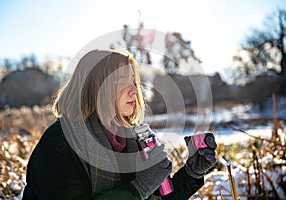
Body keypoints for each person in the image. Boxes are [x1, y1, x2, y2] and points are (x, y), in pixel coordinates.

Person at [22, 49, 217, 200]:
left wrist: (191, 173)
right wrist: (138, 188)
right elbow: (140, 192)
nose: (135, 90)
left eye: (134, 80)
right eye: (123, 81)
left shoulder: (132, 138)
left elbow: (156, 198)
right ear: (97, 88)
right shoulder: (60, 142)